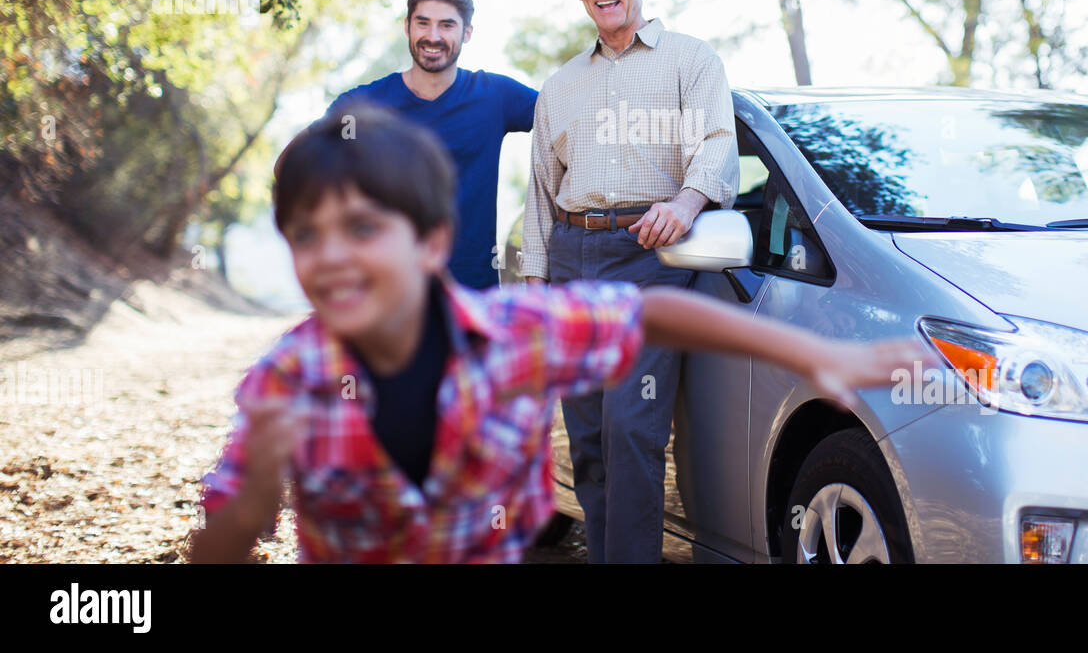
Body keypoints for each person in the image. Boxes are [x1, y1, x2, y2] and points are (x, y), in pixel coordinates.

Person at [186, 105, 926, 563]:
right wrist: (249, 503)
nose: (333, 255)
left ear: (434, 241)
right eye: (307, 235)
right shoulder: (288, 379)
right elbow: (222, 538)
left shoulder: (512, 338)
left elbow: (657, 313)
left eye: (362, 228)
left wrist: (818, 352)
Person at [520, 0, 740, 563]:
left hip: (652, 259)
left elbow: (717, 146)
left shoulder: (690, 61)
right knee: (587, 433)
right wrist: (537, 286)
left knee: (631, 425)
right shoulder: (559, 87)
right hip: (572, 258)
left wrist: (686, 202)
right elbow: (540, 191)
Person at [328, 0, 536, 289]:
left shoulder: (496, 97)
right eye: (422, 23)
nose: (433, 36)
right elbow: (294, 166)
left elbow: (569, 123)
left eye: (447, 25)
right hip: (387, 287)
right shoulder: (365, 105)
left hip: (472, 289)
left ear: (466, 33)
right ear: (407, 27)